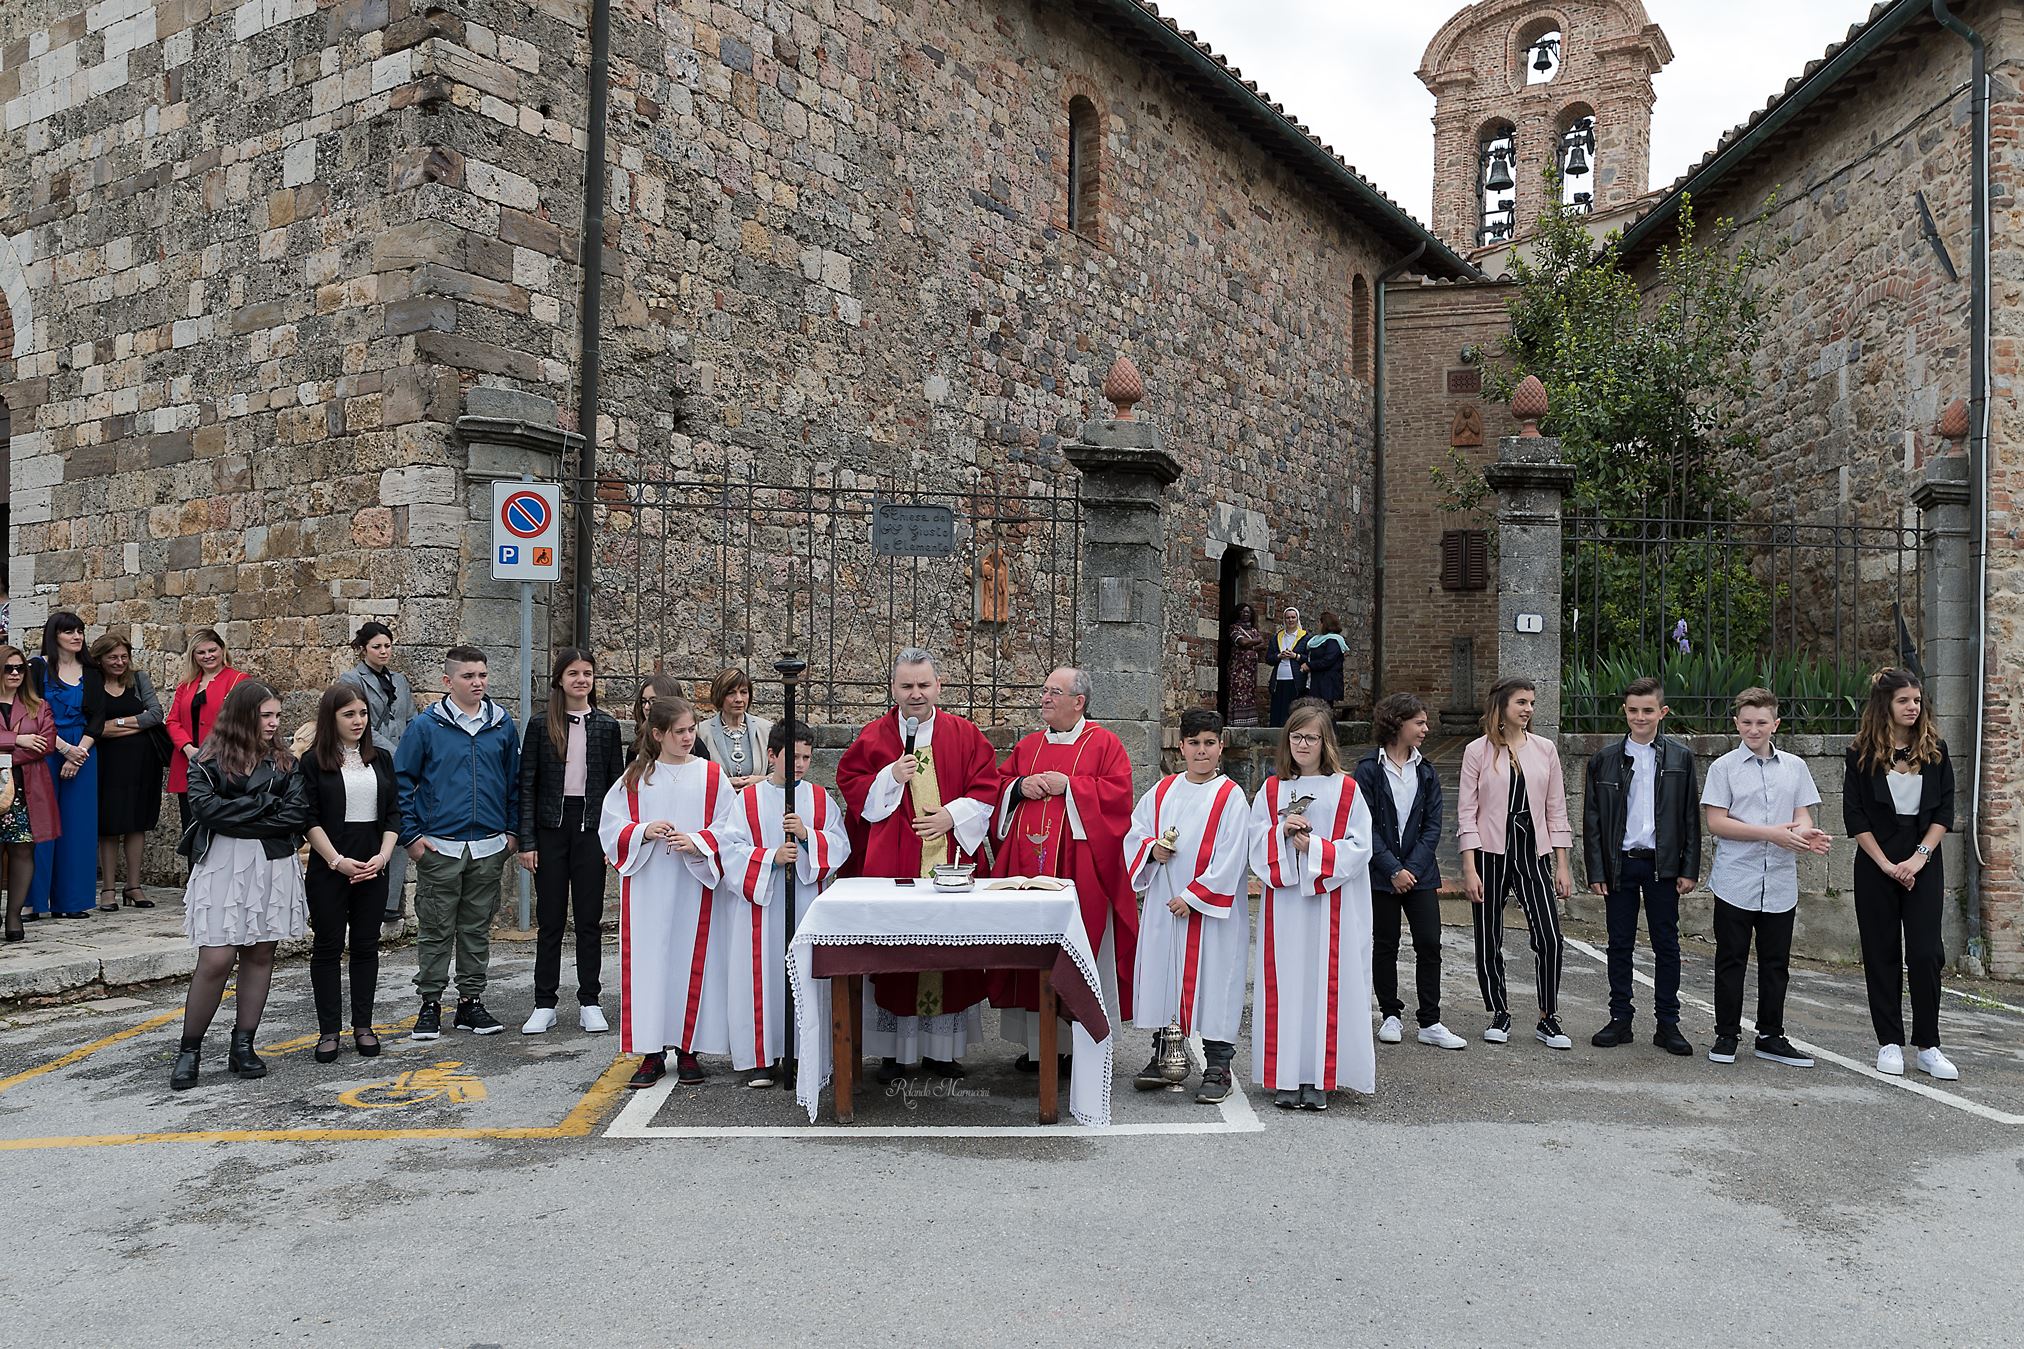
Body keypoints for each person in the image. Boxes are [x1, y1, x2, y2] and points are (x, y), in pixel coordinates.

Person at [835, 647, 999, 1081]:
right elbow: (853, 790)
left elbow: (988, 788)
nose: (916, 694)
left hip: (950, 862)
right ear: (893, 688)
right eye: (907, 685)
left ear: (938, 686)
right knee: (897, 954)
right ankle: (894, 1054)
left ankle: (941, 1052)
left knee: (949, 953)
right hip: (896, 865)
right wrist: (890, 777)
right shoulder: (874, 736)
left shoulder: (964, 734)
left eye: (924, 685)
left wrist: (952, 816)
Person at [987, 666, 1136, 1073]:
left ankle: (1081, 1046)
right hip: (1027, 869)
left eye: (1055, 692)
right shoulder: (1029, 745)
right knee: (1032, 950)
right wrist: (1019, 788)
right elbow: (999, 787)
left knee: (1077, 949)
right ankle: (1041, 1048)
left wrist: (1070, 786)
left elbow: (1119, 798)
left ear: (1078, 701)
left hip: (1080, 871)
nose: (1045, 698)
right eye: (1045, 690)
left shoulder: (1104, 744)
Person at [170, 681, 311, 1090]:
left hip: (271, 863)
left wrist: (240, 814)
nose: (274, 723)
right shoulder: (207, 759)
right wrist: (266, 804)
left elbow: (296, 815)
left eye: (277, 715)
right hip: (223, 864)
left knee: (261, 953)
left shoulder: (285, 762)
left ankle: (243, 1045)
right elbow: (206, 810)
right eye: (266, 715)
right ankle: (189, 1051)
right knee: (216, 958)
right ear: (243, 716)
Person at [598, 695, 735, 1088]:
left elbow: (731, 828)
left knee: (691, 963)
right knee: (650, 965)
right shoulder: (636, 779)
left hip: (694, 886)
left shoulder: (712, 776)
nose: (689, 737)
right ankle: (651, 1053)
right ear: (657, 734)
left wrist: (698, 842)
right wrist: (643, 831)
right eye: (680, 731)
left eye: (691, 729)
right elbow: (609, 827)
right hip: (648, 887)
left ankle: (689, 1049)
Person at [1250, 703, 1376, 1110]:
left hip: (1331, 908)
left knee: (1326, 986)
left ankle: (1321, 1077)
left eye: (1312, 737)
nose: (1303, 744)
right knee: (1287, 986)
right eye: (1296, 736)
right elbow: (1255, 842)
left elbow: (1361, 847)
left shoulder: (1347, 789)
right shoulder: (1272, 790)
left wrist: (1316, 849)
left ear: (1326, 743)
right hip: (1285, 906)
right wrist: (1281, 834)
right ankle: (1286, 1076)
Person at [1122, 708, 1251, 1104]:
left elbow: (1232, 856)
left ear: (1221, 746)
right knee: (1165, 976)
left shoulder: (1231, 797)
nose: (1201, 751)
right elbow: (1135, 832)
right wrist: (1151, 850)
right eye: (1194, 743)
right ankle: (1165, 1055)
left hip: (1211, 915)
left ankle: (1218, 1066)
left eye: (1209, 743)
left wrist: (1193, 898)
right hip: (1165, 907)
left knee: (1216, 983)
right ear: (1181, 746)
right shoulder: (1163, 791)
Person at [394, 644, 520, 1041]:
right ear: (448, 681)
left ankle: (470, 1003)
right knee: (435, 929)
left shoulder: (501, 724)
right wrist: (411, 837)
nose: (477, 682)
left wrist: (512, 833)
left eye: (482, 675)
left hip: (489, 846)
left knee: (476, 929)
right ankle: (430, 1003)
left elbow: (515, 782)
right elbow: (401, 781)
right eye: (468, 676)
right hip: (439, 847)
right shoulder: (426, 726)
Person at [1701, 687, 1830, 1068]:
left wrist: (1805, 834)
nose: (1753, 729)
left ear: (1776, 724)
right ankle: (1726, 1034)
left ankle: (1771, 1036)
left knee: (1776, 963)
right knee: (1731, 960)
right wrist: (1771, 833)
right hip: (1735, 880)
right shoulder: (1723, 768)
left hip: (1779, 882)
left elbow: (1802, 814)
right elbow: (1716, 822)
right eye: (1746, 722)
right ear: (1736, 723)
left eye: (1761, 722)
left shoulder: (1795, 767)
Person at [717, 721, 851, 1086]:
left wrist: (807, 837)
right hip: (761, 907)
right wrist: (770, 858)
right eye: (793, 757)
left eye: (806, 757)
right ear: (772, 755)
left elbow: (840, 846)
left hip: (805, 903)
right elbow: (729, 850)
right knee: (762, 978)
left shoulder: (820, 799)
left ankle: (800, 1055)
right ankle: (762, 1058)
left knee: (803, 977)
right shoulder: (747, 800)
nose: (800, 764)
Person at [1844, 669, 1957, 1081]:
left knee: (1926, 953)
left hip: (1922, 860)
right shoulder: (1860, 753)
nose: (1913, 707)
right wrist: (1886, 864)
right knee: (1881, 952)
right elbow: (1855, 816)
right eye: (1904, 700)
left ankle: (1928, 1046)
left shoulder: (1936, 750)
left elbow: (1944, 810)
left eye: (1917, 700)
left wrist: (1918, 858)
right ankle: (1889, 1041)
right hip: (1877, 862)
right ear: (1885, 706)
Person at [1582, 677, 1701, 1056]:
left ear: (1662, 712)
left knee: (1667, 944)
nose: (1640, 717)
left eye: (1648, 710)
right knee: (1619, 943)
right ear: (1624, 712)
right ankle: (1620, 1018)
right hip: (1621, 864)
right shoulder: (1605, 759)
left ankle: (1668, 1023)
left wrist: (1689, 867)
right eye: (1633, 710)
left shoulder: (1680, 758)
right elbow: (1592, 820)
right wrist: (1596, 870)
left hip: (1662, 866)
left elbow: (1690, 817)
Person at [1457, 676, 1575, 1050]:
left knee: (1550, 936)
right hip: (1489, 852)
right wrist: (1469, 868)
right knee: (1488, 936)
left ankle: (1547, 1016)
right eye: (1521, 702)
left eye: (1531, 703)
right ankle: (1499, 1011)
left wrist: (1562, 864)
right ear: (1502, 706)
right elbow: (1466, 812)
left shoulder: (1545, 749)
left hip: (1532, 850)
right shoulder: (1477, 751)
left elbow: (1556, 809)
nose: (1528, 709)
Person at [517, 648, 625, 1035]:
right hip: (550, 829)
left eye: (587, 673)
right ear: (560, 680)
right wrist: (527, 841)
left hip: (590, 829)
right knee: (550, 921)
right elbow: (526, 786)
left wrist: (611, 841)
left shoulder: (607, 726)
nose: (581, 680)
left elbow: (616, 790)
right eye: (573, 673)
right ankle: (544, 1003)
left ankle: (590, 1001)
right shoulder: (540, 724)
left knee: (589, 921)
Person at [1353, 692, 1465, 1051]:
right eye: (1419, 722)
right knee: (1385, 944)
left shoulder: (1426, 771)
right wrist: (1392, 869)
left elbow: (1433, 826)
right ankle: (1390, 1015)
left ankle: (1430, 1021)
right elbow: (1363, 824)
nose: (1425, 729)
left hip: (1420, 875)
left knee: (1429, 943)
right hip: (1381, 875)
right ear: (1397, 723)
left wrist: (1410, 870)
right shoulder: (1368, 769)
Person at [299, 683, 400, 1063]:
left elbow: (393, 814)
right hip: (330, 865)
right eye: (349, 714)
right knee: (327, 947)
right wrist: (336, 861)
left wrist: (383, 857)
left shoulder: (381, 759)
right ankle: (329, 1031)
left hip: (373, 863)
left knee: (365, 945)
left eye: (363, 713)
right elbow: (308, 818)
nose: (358, 721)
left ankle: (363, 1026)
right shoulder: (313, 762)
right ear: (332, 718)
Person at [337, 621, 416, 923]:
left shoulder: (400, 680)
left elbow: (411, 718)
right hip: (372, 758)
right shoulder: (351, 679)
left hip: (402, 762)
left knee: (398, 823)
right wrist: (397, 755)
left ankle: (390, 901)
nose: (384, 651)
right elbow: (362, 725)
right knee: (368, 824)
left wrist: (412, 753)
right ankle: (360, 895)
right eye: (377, 646)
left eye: (387, 646)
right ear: (363, 649)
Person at [27, 612, 103, 918]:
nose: (77, 636)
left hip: (83, 751)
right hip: (44, 749)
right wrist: (63, 749)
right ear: (54, 635)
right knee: (41, 826)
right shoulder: (37, 667)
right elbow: (30, 712)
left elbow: (97, 717)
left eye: (80, 631)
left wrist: (79, 753)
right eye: (69, 631)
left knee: (78, 827)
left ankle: (71, 902)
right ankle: (32, 902)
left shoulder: (92, 672)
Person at [89, 634, 167, 910]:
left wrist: (118, 724)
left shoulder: (139, 679)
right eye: (113, 657)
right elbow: (95, 727)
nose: (120, 662)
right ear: (99, 659)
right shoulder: (92, 683)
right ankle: (108, 889)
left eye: (124, 656)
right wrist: (136, 724)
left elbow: (155, 715)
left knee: (137, 822)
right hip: (107, 763)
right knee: (108, 825)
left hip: (143, 763)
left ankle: (134, 886)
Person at [0, 646, 60, 942]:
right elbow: (31, 745)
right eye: (8, 668)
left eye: (20, 668)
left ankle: (14, 917)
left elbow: (46, 744)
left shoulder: (39, 706)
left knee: (23, 850)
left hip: (26, 790)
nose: (15, 673)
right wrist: (19, 739)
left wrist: (5, 752)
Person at [166, 628, 245, 845]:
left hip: (222, 763)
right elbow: (172, 721)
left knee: (221, 833)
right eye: (201, 652)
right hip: (188, 763)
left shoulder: (238, 680)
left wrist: (211, 750)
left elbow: (240, 722)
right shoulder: (186, 685)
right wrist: (188, 748)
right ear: (193, 655)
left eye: (212, 650)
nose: (208, 656)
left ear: (222, 650)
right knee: (191, 829)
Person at [696, 668, 771, 791]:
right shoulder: (701, 732)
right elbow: (695, 776)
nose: (739, 699)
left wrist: (759, 781)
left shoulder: (766, 729)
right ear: (719, 696)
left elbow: (780, 773)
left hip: (758, 799)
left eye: (744, 692)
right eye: (731, 693)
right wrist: (723, 782)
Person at [1268, 606, 1308, 727]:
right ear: (1284, 620)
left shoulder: (1305, 637)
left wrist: (1295, 656)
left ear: (1297, 619)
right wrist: (1279, 656)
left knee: (1292, 709)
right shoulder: (1277, 637)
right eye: (1288, 618)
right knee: (1278, 710)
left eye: (1293, 617)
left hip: (1296, 679)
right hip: (1279, 678)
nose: (1290, 620)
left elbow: (1309, 658)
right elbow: (1269, 658)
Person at [1225, 604, 1265, 727]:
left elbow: (1263, 644)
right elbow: (1242, 641)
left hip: (1250, 671)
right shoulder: (1234, 628)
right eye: (1243, 612)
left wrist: (1250, 646)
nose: (1245, 614)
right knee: (1238, 693)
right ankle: (1237, 722)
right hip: (1238, 669)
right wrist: (1255, 642)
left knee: (1250, 695)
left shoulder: (1253, 630)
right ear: (1238, 613)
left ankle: (1249, 722)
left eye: (1248, 612)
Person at [1300, 612, 1348, 712]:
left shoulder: (1334, 641)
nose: (1318, 624)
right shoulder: (1317, 640)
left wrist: (1309, 665)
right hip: (1315, 681)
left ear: (1324, 624)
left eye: (1320, 622)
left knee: (1324, 713)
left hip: (1326, 684)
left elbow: (1328, 660)